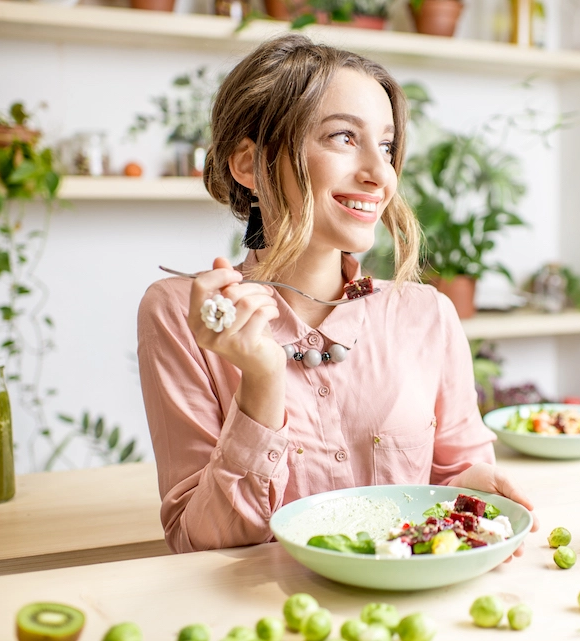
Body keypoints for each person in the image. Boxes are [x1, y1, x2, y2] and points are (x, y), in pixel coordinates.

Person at [137, 33, 537, 554]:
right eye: (344, 138)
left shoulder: (427, 315)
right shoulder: (183, 315)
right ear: (248, 165)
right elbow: (200, 542)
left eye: (387, 146)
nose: (379, 174)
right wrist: (261, 380)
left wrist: (475, 494)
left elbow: (458, 475)